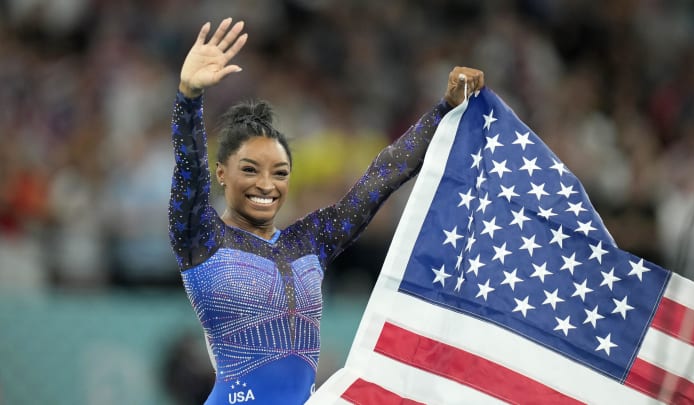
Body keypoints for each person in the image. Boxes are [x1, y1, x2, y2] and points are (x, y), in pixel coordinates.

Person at [168, 17, 483, 405]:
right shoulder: (202, 238)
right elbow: (188, 169)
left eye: (279, 172)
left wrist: (444, 109)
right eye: (249, 170)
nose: (266, 184)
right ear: (221, 174)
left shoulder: (307, 241)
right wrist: (188, 97)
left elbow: (381, 177)